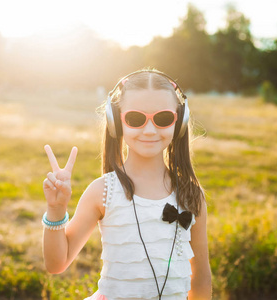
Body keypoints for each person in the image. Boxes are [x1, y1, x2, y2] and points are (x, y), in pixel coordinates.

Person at [42, 69, 212, 300]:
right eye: (135, 118)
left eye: (163, 119)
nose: (149, 130)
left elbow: (200, 276)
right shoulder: (103, 192)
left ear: (179, 121)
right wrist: (56, 209)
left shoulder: (191, 195)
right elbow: (56, 264)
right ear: (116, 122)